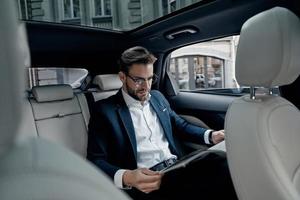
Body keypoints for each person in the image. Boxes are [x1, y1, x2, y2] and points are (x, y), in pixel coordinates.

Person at [87, 46, 237, 200]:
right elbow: (95, 160)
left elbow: (180, 125)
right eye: (138, 80)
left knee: (224, 164)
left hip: (177, 167)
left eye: (150, 78)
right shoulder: (104, 111)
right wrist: (127, 177)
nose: (146, 87)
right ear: (122, 77)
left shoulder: (158, 97)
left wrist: (211, 135)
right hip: (148, 182)